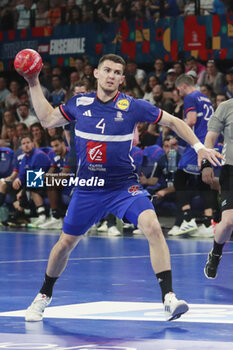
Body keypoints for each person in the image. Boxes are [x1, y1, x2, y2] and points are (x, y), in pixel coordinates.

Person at [19, 53, 222, 323]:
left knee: (152, 225)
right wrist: (33, 81)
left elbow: (174, 121)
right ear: (96, 74)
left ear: (122, 79)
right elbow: (46, 119)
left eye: (117, 72)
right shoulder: (79, 103)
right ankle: (43, 295)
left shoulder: (133, 106)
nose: (112, 75)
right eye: (107, 70)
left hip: (122, 187)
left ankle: (169, 298)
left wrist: (199, 146)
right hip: (89, 188)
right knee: (65, 243)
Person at [169, 74, 218, 237]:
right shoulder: (205, 98)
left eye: (178, 90)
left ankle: (188, 218)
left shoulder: (190, 97)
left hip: (198, 145)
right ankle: (207, 223)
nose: (179, 93)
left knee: (179, 178)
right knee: (204, 183)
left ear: (182, 86)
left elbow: (190, 121)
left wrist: (176, 136)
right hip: (209, 143)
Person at [201, 97, 232, 279]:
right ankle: (216, 253)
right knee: (228, 222)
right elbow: (210, 138)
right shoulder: (226, 107)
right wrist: (206, 163)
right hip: (231, 170)